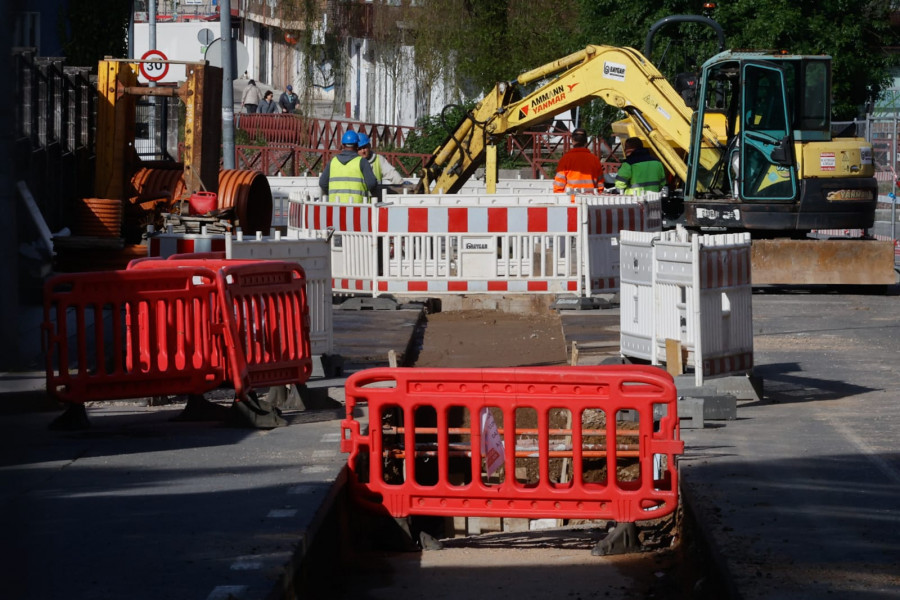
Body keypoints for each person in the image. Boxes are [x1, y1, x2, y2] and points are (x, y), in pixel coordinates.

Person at [318, 130, 379, 204]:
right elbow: (372, 184)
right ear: (357, 145)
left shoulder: (333, 162)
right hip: (358, 207)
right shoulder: (362, 162)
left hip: (335, 206)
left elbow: (322, 183)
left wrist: (333, 193)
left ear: (343, 145)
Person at [553, 128, 604, 194]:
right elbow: (600, 184)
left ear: (572, 140)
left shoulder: (566, 159)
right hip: (590, 199)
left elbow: (559, 184)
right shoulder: (595, 159)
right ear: (586, 142)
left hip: (571, 200)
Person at [357, 133, 404, 198]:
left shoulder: (378, 159)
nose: (363, 151)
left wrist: (402, 187)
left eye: (365, 147)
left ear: (369, 146)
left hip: (375, 200)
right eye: (359, 149)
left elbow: (392, 174)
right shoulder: (354, 162)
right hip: (359, 200)